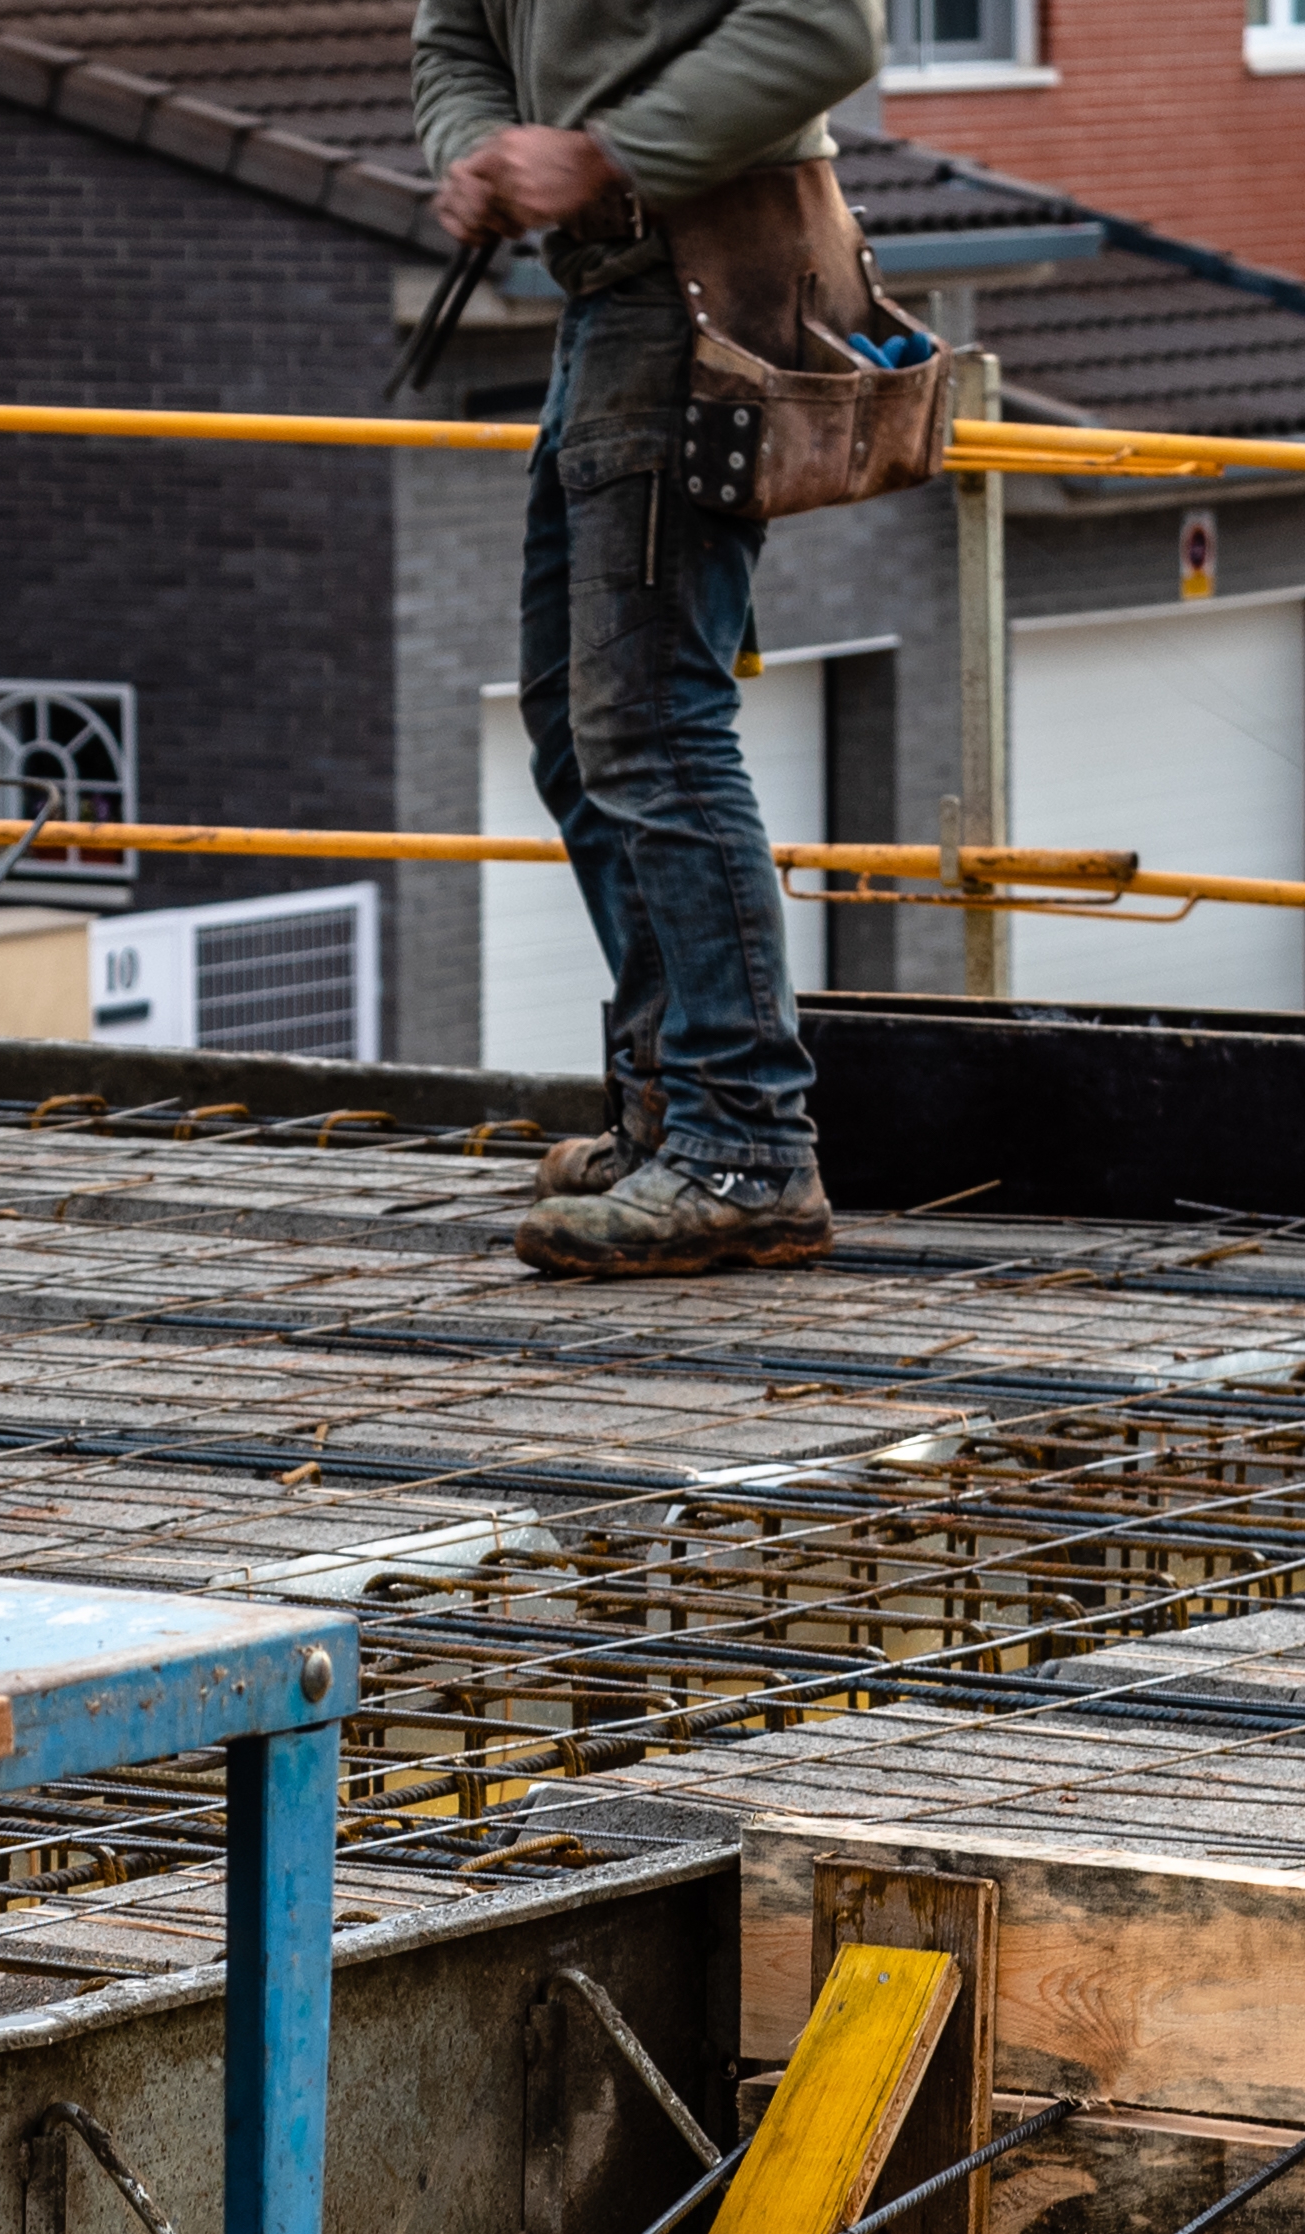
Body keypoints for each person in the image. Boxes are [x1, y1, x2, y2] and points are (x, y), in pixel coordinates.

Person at [416, 0, 883, 1277]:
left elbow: (826, 28)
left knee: (652, 729)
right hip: (614, 299)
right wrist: (482, 153)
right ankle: (679, 1110)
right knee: (579, 728)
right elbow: (452, 32)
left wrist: (600, 153)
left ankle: (745, 1148)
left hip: (697, 285)